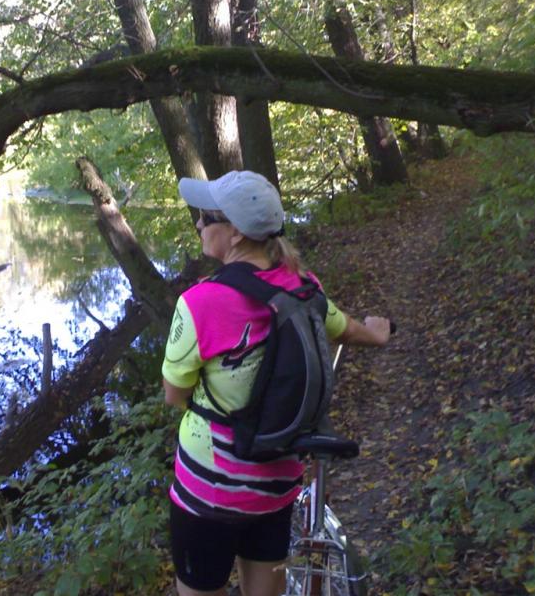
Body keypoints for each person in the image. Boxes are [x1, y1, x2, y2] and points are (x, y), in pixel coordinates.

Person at [162, 170, 391, 596]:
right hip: (277, 484)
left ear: (233, 233)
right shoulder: (305, 288)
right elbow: (343, 328)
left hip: (208, 492)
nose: (198, 224)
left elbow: (174, 395)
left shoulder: (200, 302)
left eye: (205, 216)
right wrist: (377, 333)